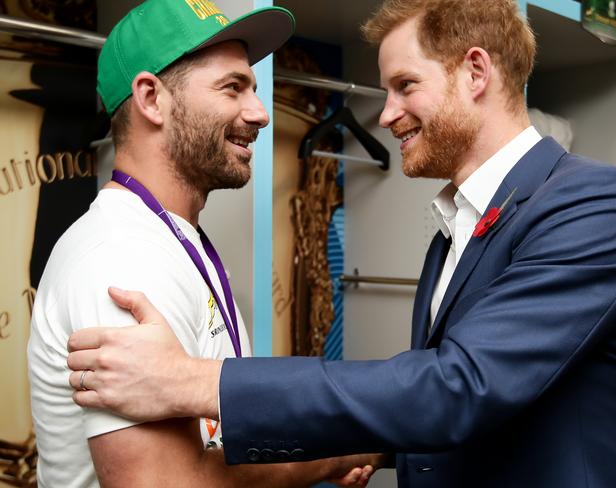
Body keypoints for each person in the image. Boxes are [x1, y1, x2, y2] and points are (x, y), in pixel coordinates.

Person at [67, 0, 616, 486]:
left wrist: (189, 380)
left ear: (476, 72)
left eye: (404, 86)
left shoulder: (598, 205)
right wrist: (364, 448)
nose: (387, 113)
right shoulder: (460, 223)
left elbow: (458, 386)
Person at [28, 1, 381, 487]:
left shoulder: (171, 237)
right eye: (233, 87)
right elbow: (167, 482)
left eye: (253, 89)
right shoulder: (122, 256)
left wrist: (314, 444)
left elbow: (216, 440)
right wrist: (337, 456)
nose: (259, 114)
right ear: (152, 98)